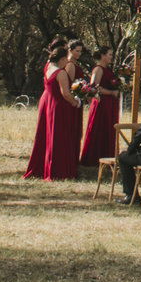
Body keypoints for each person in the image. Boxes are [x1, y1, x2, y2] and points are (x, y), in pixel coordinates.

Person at [22, 38, 84, 181]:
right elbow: (66, 94)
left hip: (48, 102)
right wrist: (76, 103)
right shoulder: (61, 73)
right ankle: (58, 170)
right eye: (65, 59)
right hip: (58, 106)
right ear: (62, 58)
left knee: (47, 135)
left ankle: (42, 166)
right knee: (59, 137)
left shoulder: (49, 68)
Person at [77, 46, 123, 170]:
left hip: (110, 105)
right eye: (109, 54)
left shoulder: (108, 69)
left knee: (109, 129)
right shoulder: (98, 69)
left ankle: (108, 156)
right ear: (102, 56)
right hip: (102, 103)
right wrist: (110, 92)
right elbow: (94, 87)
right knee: (100, 128)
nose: (111, 57)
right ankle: (93, 158)